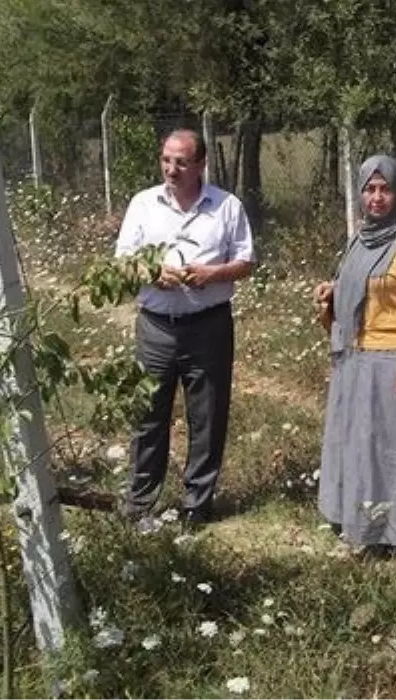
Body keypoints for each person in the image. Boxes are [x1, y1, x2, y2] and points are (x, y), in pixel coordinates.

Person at [115, 129, 255, 532]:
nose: (171, 169)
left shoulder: (226, 207)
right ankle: (140, 501)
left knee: (207, 417)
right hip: (156, 326)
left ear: (200, 165)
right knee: (148, 414)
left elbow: (245, 261)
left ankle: (197, 505)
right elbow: (122, 261)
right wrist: (152, 273)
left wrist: (212, 273)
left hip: (209, 326)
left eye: (181, 162)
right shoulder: (143, 204)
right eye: (165, 160)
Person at [313, 155, 396, 554]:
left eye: (385, 188)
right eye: (369, 189)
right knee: (363, 448)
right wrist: (332, 293)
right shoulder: (359, 239)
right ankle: (367, 527)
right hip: (356, 358)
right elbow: (355, 288)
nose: (377, 197)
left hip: (394, 361)